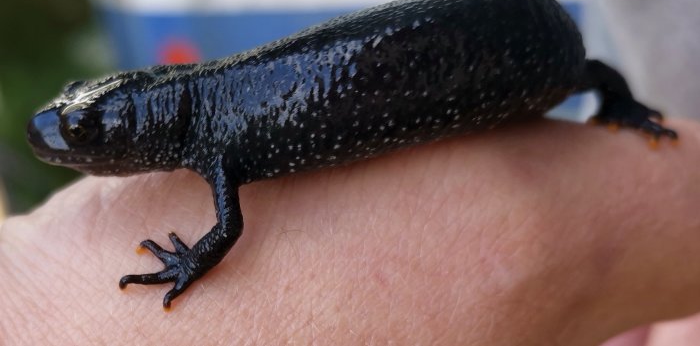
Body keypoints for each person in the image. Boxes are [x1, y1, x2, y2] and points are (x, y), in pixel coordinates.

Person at [1, 119, 699, 344]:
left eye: (89, 135)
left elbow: (229, 223)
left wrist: (188, 265)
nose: (65, 137)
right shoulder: (210, 142)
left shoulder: (214, 146)